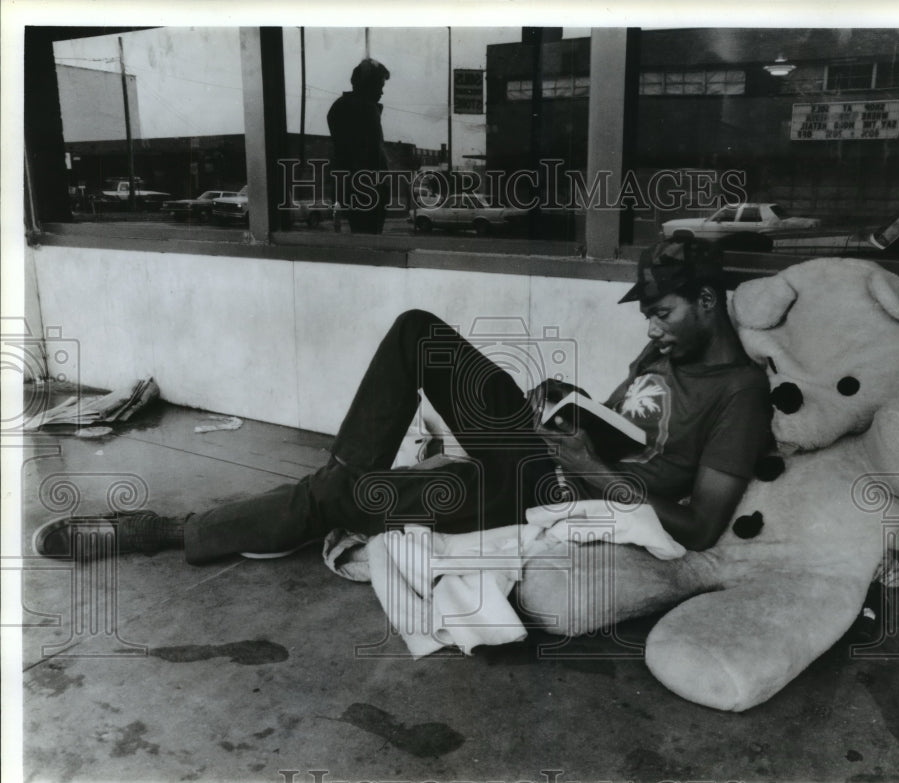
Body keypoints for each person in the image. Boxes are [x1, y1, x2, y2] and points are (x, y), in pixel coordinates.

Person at [34, 241, 771, 584]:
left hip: (562, 494)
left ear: (708, 302)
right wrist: (564, 414)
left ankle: (166, 532)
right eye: (648, 315)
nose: (652, 328)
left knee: (347, 497)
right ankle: (336, 484)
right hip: (548, 455)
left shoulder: (740, 393)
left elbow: (699, 524)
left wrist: (588, 465)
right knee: (420, 331)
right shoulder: (666, 356)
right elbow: (623, 422)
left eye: (664, 313)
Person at [327, 58, 391, 235]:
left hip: (354, 189)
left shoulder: (340, 107)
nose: (382, 92)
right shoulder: (366, 110)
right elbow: (373, 154)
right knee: (369, 238)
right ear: (368, 85)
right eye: (380, 85)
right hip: (368, 191)